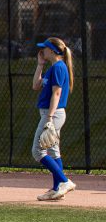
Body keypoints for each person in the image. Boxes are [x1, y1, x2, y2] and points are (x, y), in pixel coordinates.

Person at [31, 37, 76, 201]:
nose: (42, 50)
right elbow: (36, 85)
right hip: (51, 113)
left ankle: (64, 181)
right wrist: (40, 65)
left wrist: (49, 117)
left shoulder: (58, 67)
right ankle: (57, 189)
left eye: (45, 48)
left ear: (51, 50)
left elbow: (56, 93)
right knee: (53, 151)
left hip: (53, 114)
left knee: (37, 151)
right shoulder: (53, 68)